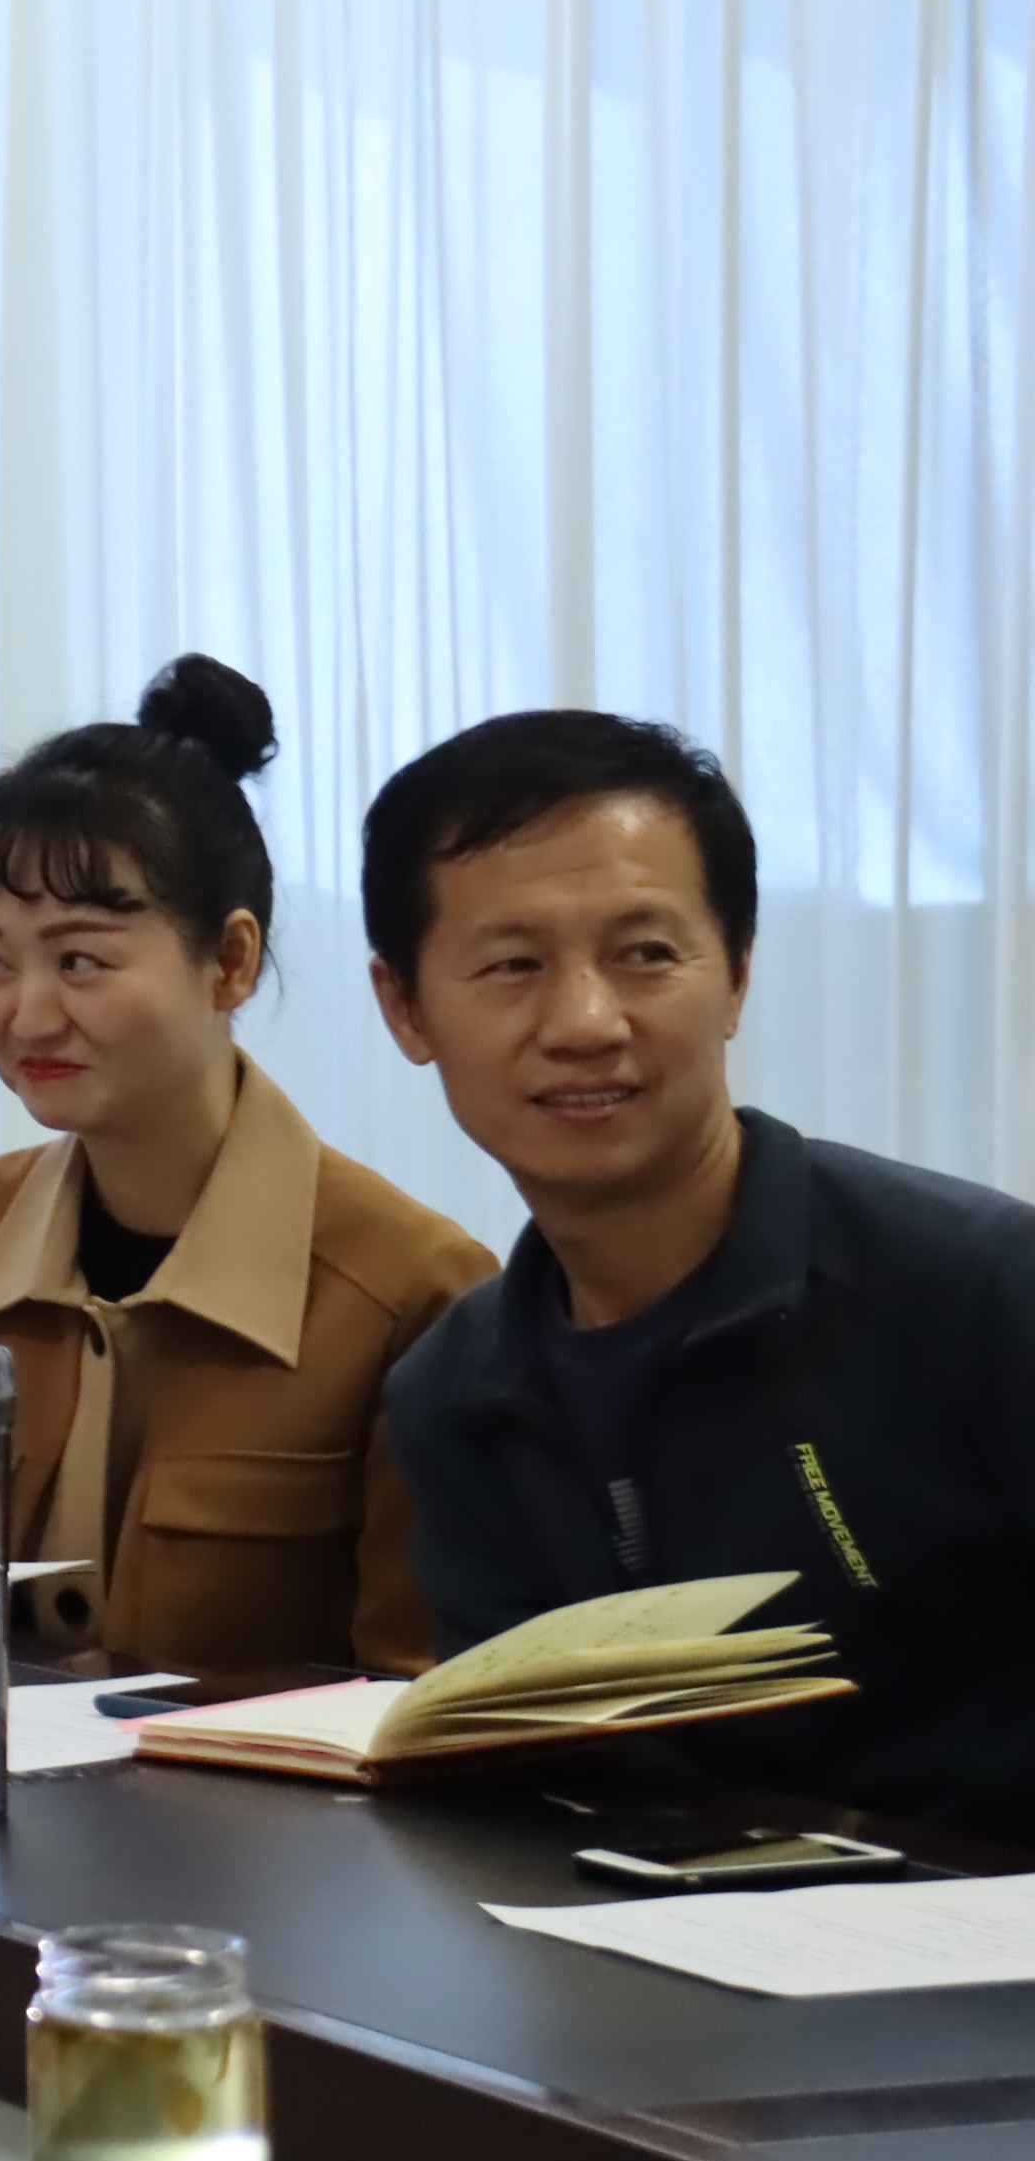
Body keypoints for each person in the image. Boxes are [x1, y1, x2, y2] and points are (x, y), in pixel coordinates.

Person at [371, 710, 1035, 1837]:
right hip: (636, 1936)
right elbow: (523, 1796)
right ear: (405, 1007)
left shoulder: (980, 1292)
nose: (586, 1022)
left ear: (735, 974)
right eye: (513, 964)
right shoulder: (454, 1397)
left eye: (645, 953)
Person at [0, 659, 490, 1673]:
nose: (26, 1014)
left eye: (80, 960)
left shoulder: (412, 1288)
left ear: (231, 962)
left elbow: (409, 1695)